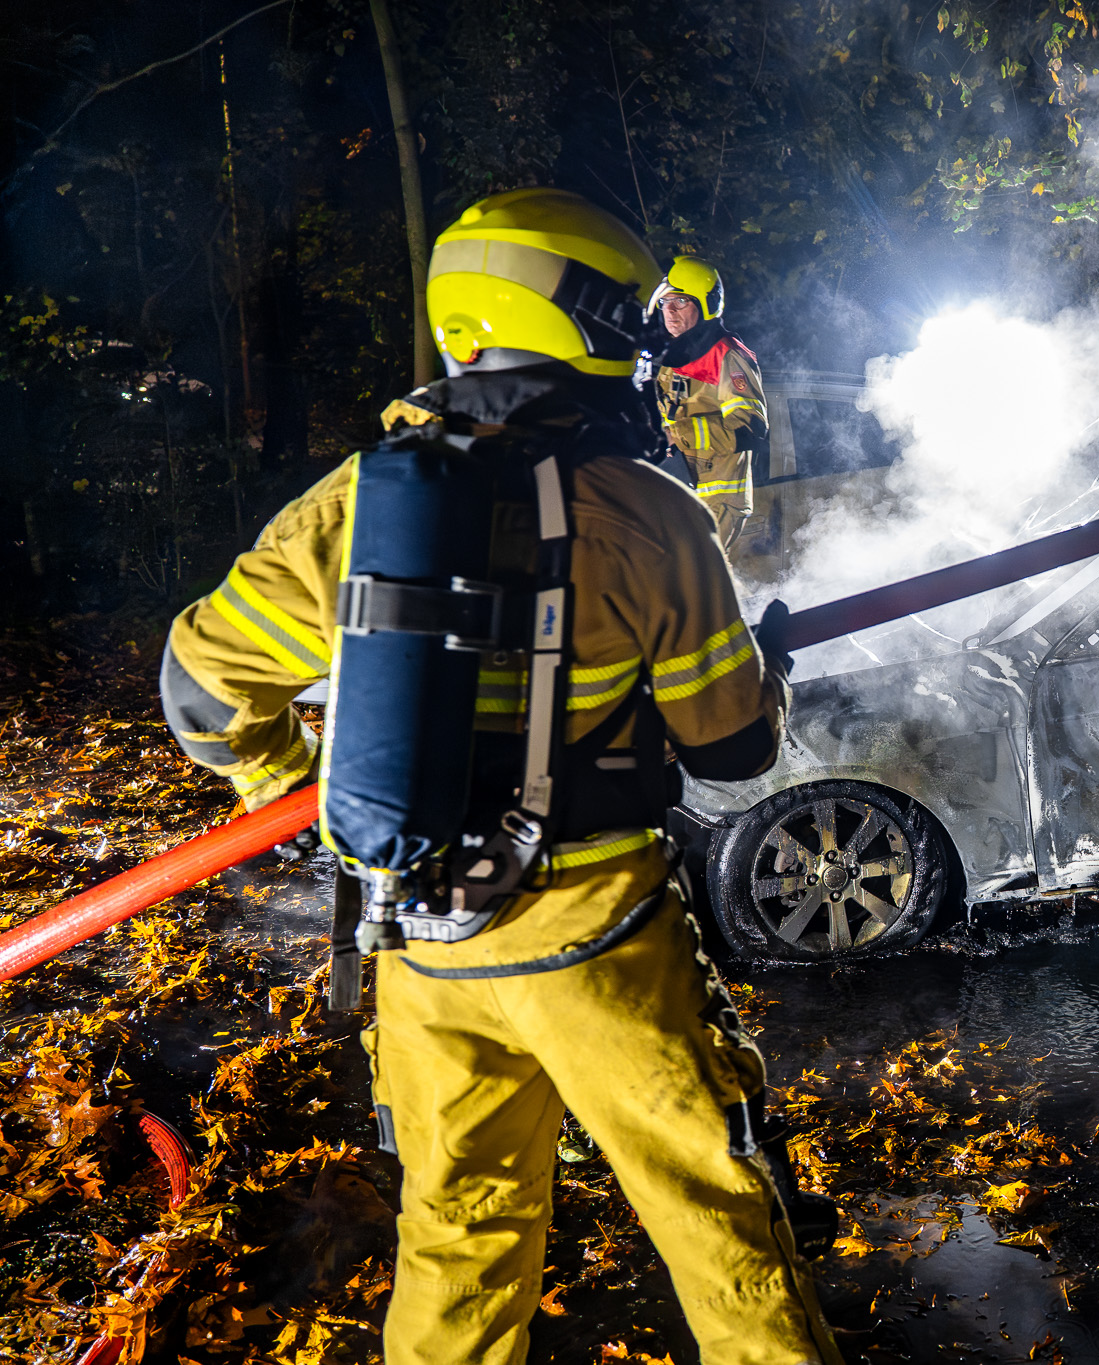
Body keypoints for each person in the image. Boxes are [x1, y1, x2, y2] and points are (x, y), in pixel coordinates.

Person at [159, 187, 839, 1365]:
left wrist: (295, 794)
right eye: (629, 322)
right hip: (603, 941)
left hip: (425, 949)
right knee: (713, 1218)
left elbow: (201, 694)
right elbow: (732, 748)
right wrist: (760, 667)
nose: (645, 348)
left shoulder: (346, 510)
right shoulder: (649, 513)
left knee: (461, 1238)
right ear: (582, 325)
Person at [651, 255, 768, 551]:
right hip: (679, 492)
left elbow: (750, 427)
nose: (670, 311)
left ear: (705, 305)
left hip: (717, 501)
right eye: (665, 303)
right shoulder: (673, 357)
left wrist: (677, 434)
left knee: (686, 587)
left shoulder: (727, 355)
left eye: (681, 302)